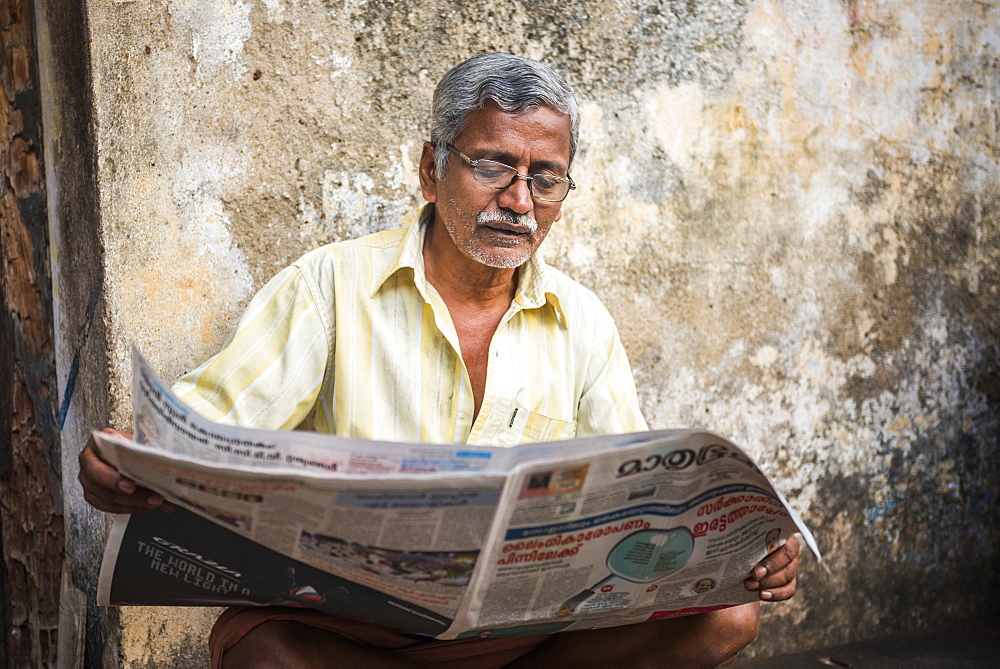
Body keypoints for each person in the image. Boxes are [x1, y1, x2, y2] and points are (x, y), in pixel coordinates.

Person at [79, 52, 801, 668]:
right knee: (267, 654)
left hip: (517, 641)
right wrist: (133, 462)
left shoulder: (581, 320)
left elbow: (643, 504)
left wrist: (740, 553)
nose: (518, 201)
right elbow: (208, 424)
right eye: (493, 166)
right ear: (432, 168)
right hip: (359, 636)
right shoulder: (329, 285)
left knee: (727, 618)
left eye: (545, 178)